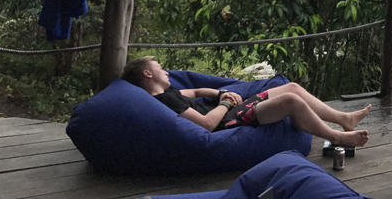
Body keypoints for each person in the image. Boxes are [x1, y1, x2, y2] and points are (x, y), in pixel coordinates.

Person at [122, 56, 370, 148]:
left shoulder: (170, 93)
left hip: (231, 110)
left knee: (292, 86)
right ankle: (337, 138)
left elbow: (197, 92)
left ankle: (343, 119)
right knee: (291, 100)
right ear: (147, 74)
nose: (166, 72)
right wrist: (226, 105)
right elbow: (207, 125)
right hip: (228, 122)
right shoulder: (164, 102)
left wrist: (220, 94)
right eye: (160, 68)